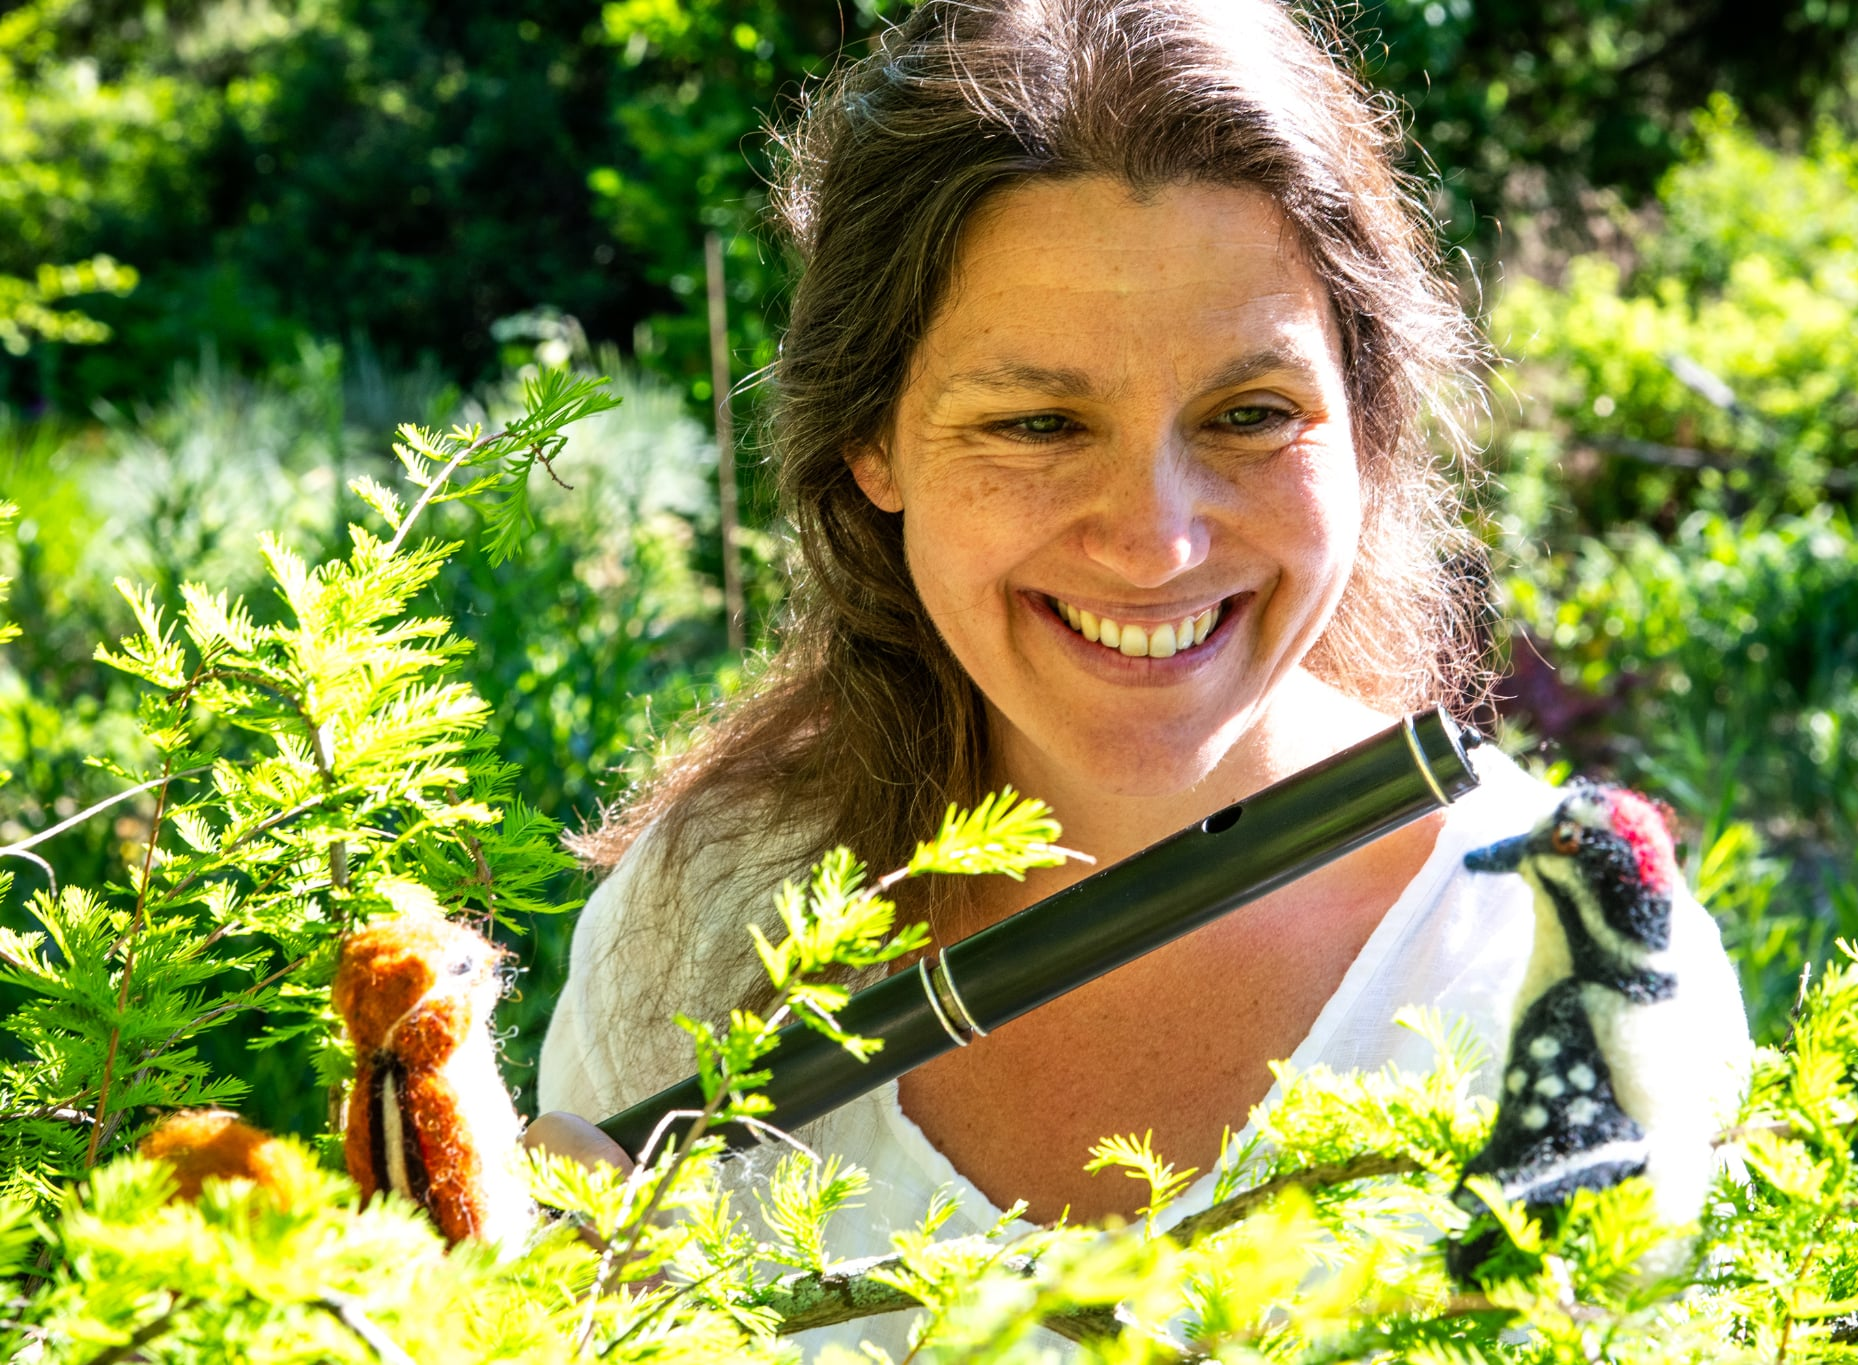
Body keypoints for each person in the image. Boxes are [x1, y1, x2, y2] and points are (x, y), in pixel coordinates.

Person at [527, 0, 1614, 1349]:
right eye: (1039, 423)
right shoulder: (708, 916)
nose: (1155, 541)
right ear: (873, 442)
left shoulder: (1564, 947)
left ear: (1367, 428)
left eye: (1250, 414)